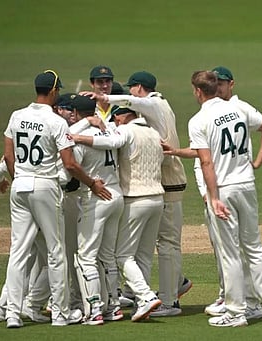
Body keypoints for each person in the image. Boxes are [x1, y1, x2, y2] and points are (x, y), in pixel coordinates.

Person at [2, 70, 111, 328]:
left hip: (20, 185)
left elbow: (8, 158)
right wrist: (92, 183)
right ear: (52, 91)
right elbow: (70, 164)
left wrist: (20, 177)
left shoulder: (17, 115)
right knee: (56, 252)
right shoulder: (56, 121)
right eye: (58, 90)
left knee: (18, 251)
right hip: (46, 186)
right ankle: (61, 315)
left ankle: (12, 314)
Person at [179, 70, 262, 327]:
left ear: (197, 91)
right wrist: (257, 162)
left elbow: (205, 161)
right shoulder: (238, 109)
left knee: (229, 254)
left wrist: (213, 197)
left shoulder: (198, 120)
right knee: (254, 248)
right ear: (217, 87)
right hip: (247, 185)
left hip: (224, 189)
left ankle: (236, 312)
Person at [82, 71, 192, 316]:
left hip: (164, 183)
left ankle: (168, 300)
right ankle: (164, 287)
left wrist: (106, 99)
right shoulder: (153, 115)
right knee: (148, 248)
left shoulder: (154, 103)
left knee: (165, 245)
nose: (129, 94)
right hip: (159, 185)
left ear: (139, 87)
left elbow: (136, 104)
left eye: (131, 89)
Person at [72, 106, 164, 322]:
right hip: (147, 197)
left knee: (91, 256)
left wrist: (78, 135)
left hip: (111, 196)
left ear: (123, 116)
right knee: (114, 256)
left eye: (116, 117)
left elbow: (72, 163)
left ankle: (100, 308)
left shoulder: (121, 132)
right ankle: (113, 306)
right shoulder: (152, 131)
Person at [68, 95, 124, 325]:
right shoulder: (109, 130)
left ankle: (94, 310)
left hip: (95, 196)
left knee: (85, 257)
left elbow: (70, 170)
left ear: (75, 113)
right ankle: (114, 307)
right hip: (116, 194)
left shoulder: (80, 139)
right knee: (107, 255)